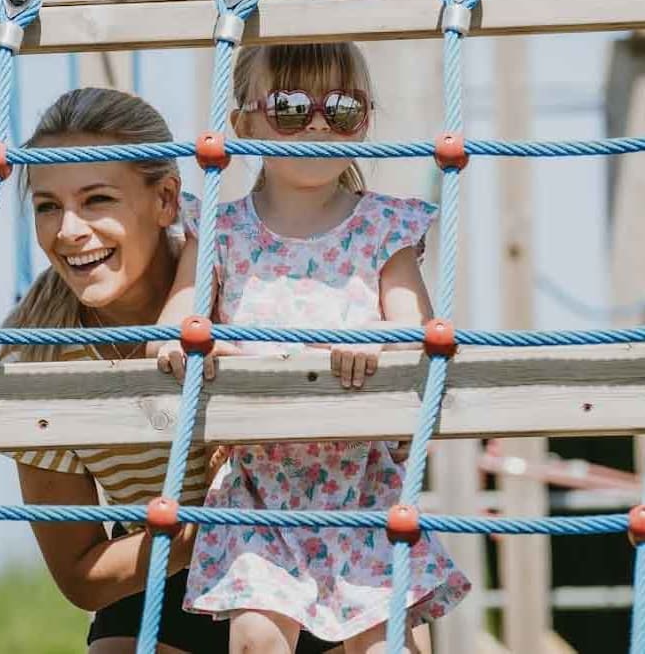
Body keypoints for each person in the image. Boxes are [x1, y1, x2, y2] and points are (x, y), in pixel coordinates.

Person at [0, 86, 345, 653]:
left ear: (165, 201)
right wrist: (200, 529)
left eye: (97, 200)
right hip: (165, 571)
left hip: (316, 555)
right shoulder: (38, 358)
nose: (68, 231)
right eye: (47, 206)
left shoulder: (246, 281)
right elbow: (81, 575)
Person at [151, 44, 470, 653]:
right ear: (244, 120)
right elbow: (177, 321)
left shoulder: (383, 229)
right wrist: (193, 345)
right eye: (292, 107)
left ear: (366, 120)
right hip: (259, 486)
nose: (319, 122)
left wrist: (377, 340)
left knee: (390, 647)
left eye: (343, 109)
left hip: (364, 486)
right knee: (257, 642)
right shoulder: (221, 229)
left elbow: (419, 333)